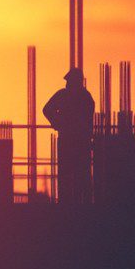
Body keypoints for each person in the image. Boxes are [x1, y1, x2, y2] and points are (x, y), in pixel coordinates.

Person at [43, 68, 95, 204]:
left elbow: (47, 109)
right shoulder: (86, 97)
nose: (66, 84)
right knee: (80, 173)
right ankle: (79, 202)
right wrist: (57, 122)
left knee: (69, 172)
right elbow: (89, 121)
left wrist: (57, 122)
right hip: (79, 141)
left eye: (68, 81)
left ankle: (67, 203)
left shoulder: (66, 96)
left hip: (70, 141)